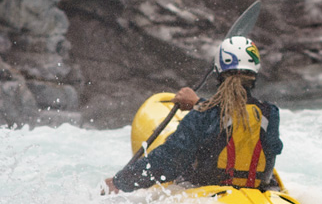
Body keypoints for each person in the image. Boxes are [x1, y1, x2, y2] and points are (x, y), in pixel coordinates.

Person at [104, 36, 282, 193]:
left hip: (206, 194)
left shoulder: (204, 116)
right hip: (256, 193)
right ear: (255, 73)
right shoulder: (271, 114)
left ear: (218, 73)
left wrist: (120, 182)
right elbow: (266, 144)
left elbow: (168, 161)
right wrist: (199, 104)